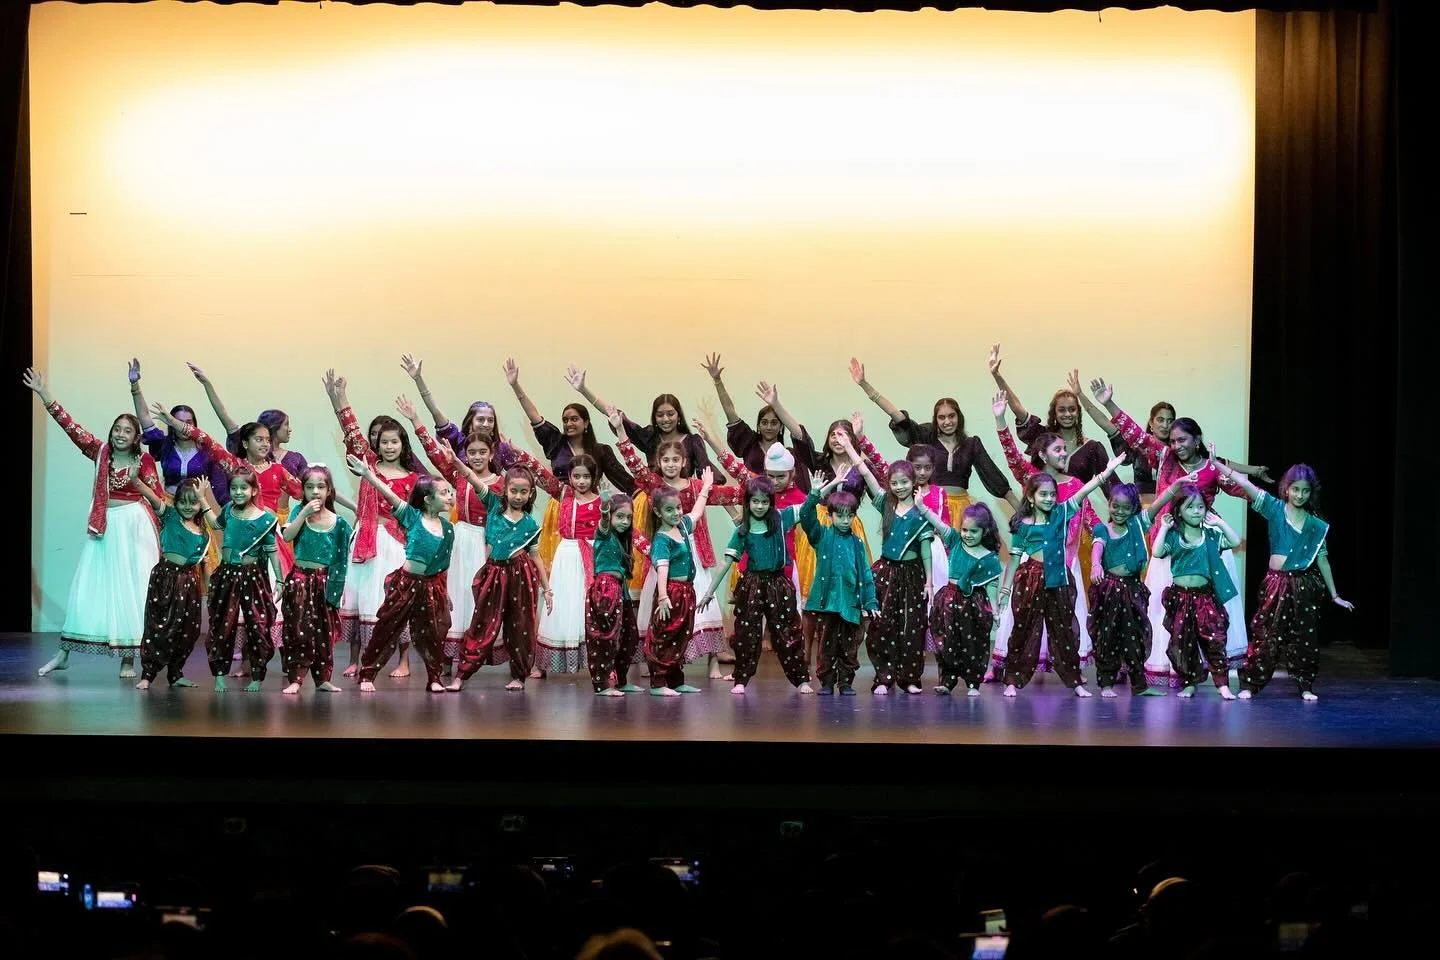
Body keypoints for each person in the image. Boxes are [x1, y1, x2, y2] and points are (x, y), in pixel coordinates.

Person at [26, 367, 160, 678]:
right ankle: (64, 654)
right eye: (117, 429)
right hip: (105, 527)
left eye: (127, 431)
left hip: (135, 528)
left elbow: (157, 501)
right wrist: (45, 395)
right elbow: (72, 428)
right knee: (87, 588)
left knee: (133, 591)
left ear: (136, 436)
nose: (121, 435)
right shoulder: (101, 452)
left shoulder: (144, 461)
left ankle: (129, 660)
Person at [1222, 464, 1354, 700]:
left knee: (1304, 636)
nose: (1300, 495)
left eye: (1305, 491)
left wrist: (1335, 595)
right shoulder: (1274, 509)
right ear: (1286, 489)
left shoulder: (1315, 524)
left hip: (1304, 584)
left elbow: (1322, 559)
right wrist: (1218, 464)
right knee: (1266, 633)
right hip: (1276, 583)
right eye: (1295, 489)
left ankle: (1305, 685)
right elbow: (1245, 485)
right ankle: (1251, 684)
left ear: (1310, 492)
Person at [346, 455, 456, 694]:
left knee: (433, 633)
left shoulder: (448, 529)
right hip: (407, 584)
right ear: (428, 500)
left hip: (432, 586)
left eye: (450, 492)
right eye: (445, 493)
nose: (451, 496)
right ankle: (368, 673)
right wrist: (368, 475)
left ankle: (434, 678)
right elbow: (390, 495)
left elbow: (442, 564)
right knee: (387, 627)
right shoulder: (413, 518)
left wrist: (444, 593)